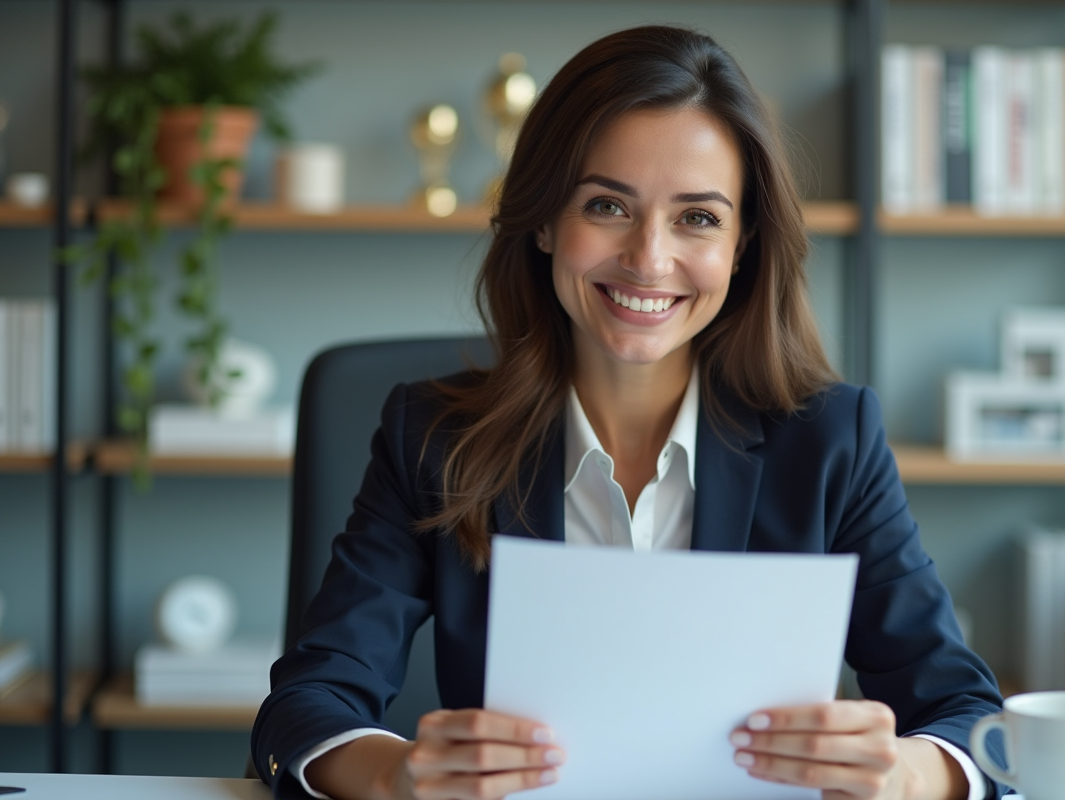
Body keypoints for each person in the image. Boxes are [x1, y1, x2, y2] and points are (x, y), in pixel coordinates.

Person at [252, 24, 1005, 800]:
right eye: (608, 205)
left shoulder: (830, 442)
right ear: (542, 220)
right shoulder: (433, 440)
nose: (649, 258)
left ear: (744, 244)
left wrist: (906, 773)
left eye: (698, 217)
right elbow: (307, 706)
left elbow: (967, 716)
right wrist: (395, 773)